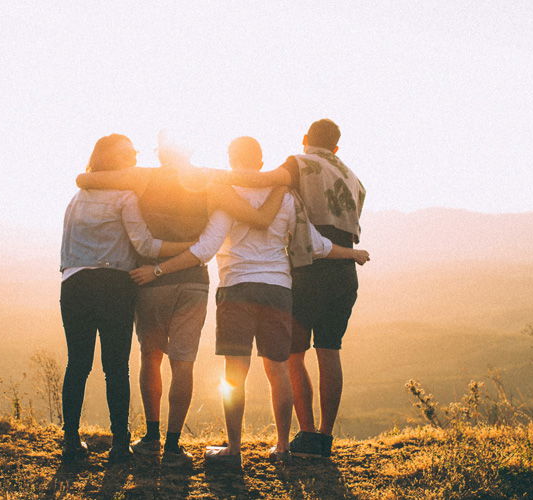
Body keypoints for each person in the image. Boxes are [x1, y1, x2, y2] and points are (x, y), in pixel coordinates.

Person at [129, 136, 369, 464]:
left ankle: (233, 450)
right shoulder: (286, 196)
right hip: (278, 290)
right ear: (260, 162)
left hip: (236, 289)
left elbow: (205, 249)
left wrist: (159, 269)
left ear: (231, 159)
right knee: (279, 370)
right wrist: (352, 253)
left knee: (234, 373)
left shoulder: (227, 196)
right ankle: (282, 447)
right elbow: (316, 245)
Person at [75, 134, 286, 466]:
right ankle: (173, 447)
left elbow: (87, 179)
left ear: (161, 153)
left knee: (151, 356)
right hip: (193, 281)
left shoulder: (143, 176)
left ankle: (151, 437)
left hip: (149, 280)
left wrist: (85, 177)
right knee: (183, 362)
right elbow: (255, 200)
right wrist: (282, 182)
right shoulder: (211, 180)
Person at [217, 119, 367, 458]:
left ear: (305, 139)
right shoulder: (354, 178)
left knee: (292, 355)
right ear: (337, 147)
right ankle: (324, 438)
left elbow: (261, 180)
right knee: (330, 350)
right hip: (343, 269)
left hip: (309, 266)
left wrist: (212, 178)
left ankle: (306, 433)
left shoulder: (298, 163)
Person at [59, 134, 194, 463]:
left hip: (74, 283)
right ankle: (120, 444)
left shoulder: (77, 197)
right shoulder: (125, 196)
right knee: (116, 368)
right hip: (114, 285)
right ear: (113, 160)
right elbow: (145, 246)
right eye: (128, 153)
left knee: (77, 364)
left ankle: (71, 442)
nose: (134, 156)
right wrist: (189, 246)